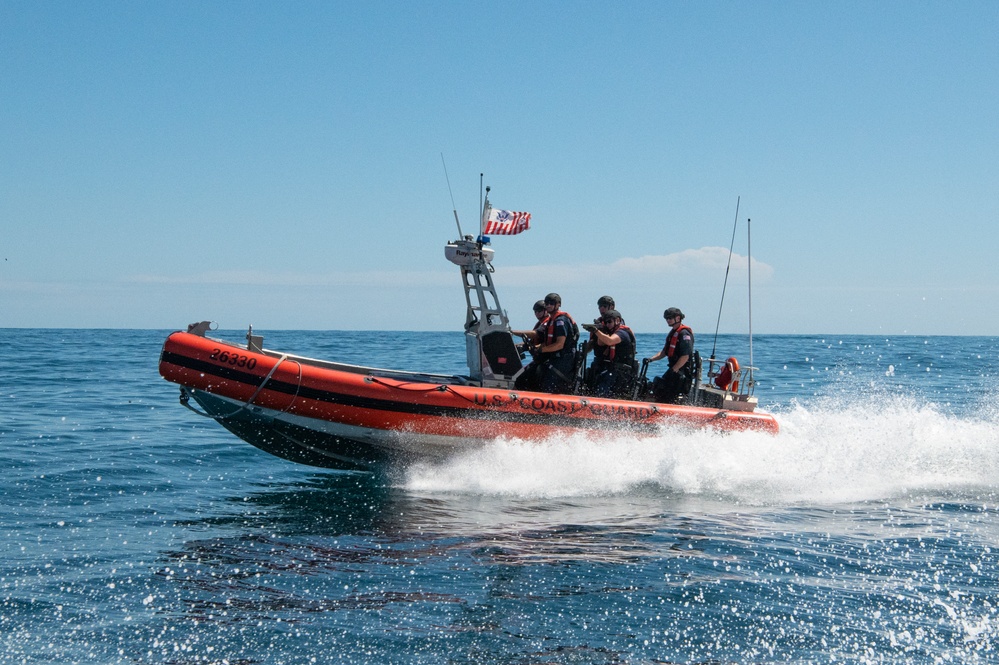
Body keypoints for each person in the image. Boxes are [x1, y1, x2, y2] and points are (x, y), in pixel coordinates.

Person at [581, 309, 637, 398]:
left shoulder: (622, 333)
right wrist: (601, 329)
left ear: (617, 320)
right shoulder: (610, 332)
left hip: (623, 371)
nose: (607, 324)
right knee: (596, 379)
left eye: (609, 322)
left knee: (604, 386)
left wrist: (596, 331)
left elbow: (610, 341)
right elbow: (600, 343)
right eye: (605, 322)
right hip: (613, 368)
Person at [645, 307, 694, 404]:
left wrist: (674, 370)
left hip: (681, 372)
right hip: (673, 370)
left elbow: (685, 356)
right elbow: (664, 352)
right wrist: (650, 359)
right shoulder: (673, 333)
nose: (668, 320)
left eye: (670, 318)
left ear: (678, 318)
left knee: (668, 393)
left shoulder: (684, 334)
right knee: (657, 386)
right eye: (666, 318)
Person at [535, 293, 578, 394]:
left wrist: (541, 349)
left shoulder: (561, 321)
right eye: (547, 303)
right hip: (555, 358)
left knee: (549, 384)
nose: (548, 305)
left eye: (551, 303)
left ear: (558, 304)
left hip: (564, 359)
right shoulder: (551, 320)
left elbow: (559, 344)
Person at [511, 300, 549, 390]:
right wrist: (516, 346)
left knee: (521, 379)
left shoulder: (547, 323)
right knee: (520, 377)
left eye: (539, 311)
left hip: (545, 360)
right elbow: (531, 341)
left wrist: (512, 332)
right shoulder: (540, 323)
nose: (537, 313)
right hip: (538, 359)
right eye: (535, 311)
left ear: (545, 311)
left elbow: (535, 334)